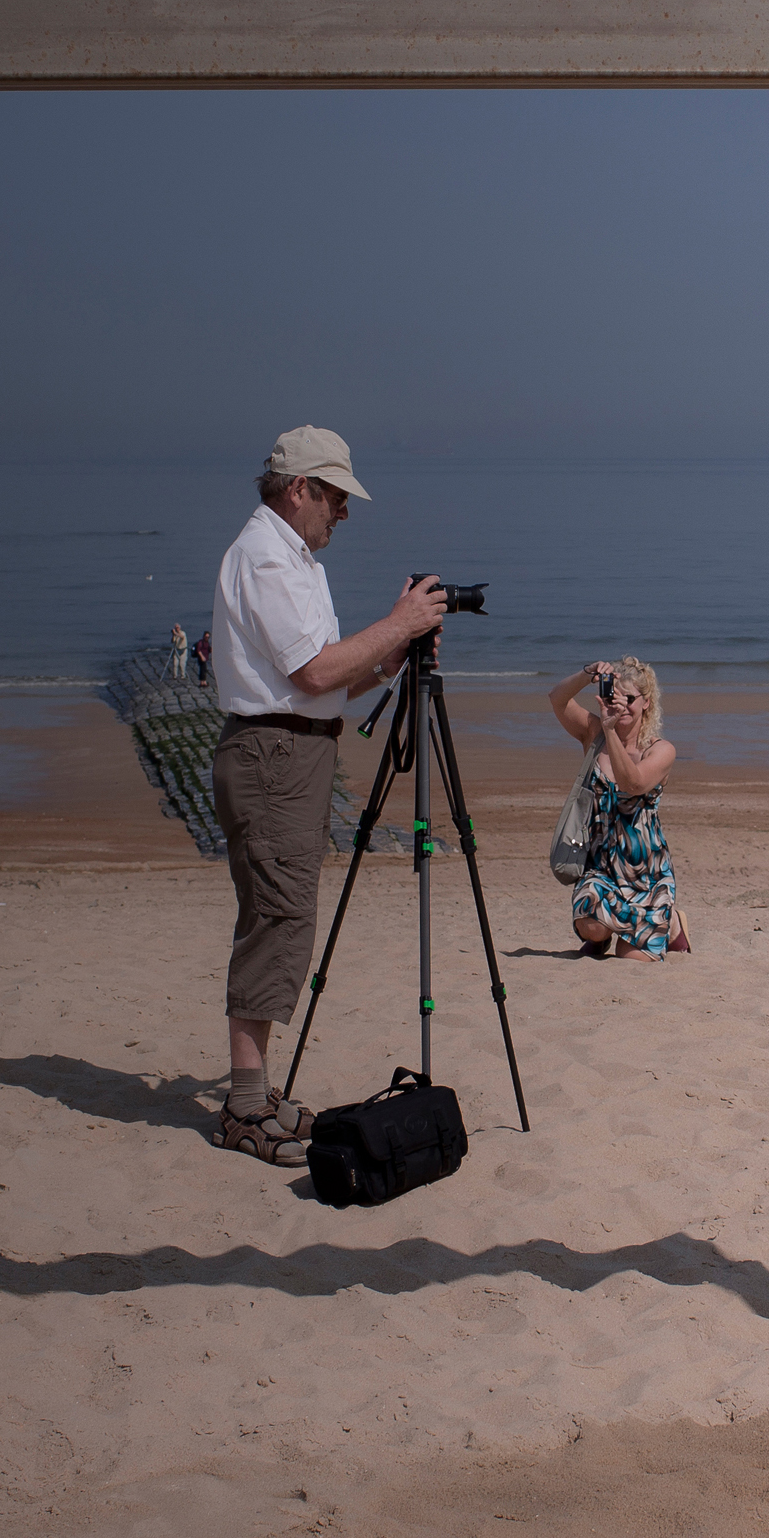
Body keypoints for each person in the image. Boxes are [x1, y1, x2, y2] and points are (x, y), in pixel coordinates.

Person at [208, 425, 449, 1166]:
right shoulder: (265, 557)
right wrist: (398, 623)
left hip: (296, 748)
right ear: (300, 488)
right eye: (336, 497)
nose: (342, 513)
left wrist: (394, 652)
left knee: (284, 912)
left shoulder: (295, 558)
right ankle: (246, 1106)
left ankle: (257, 1090)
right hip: (274, 752)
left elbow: (328, 676)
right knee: (278, 916)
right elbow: (313, 674)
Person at [547, 658, 690, 961]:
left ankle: (674, 923)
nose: (621, 705)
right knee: (589, 924)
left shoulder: (660, 750)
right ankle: (603, 934)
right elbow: (557, 699)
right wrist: (587, 674)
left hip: (646, 874)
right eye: (615, 696)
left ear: (647, 702)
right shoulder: (593, 733)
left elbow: (633, 784)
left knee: (630, 958)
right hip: (602, 868)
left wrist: (611, 732)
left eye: (630, 699)